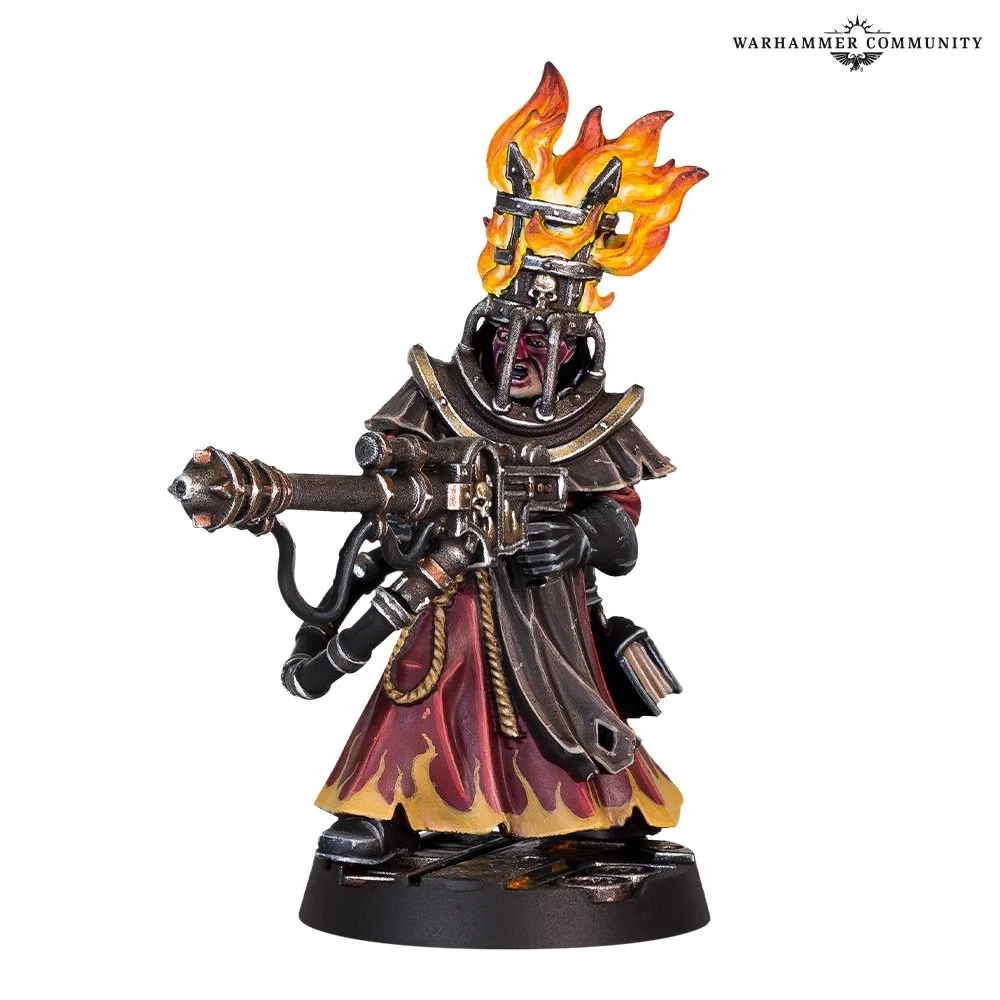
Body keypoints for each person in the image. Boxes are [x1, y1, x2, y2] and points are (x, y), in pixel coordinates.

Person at [280, 63, 706, 863]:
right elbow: (386, 490)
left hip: (549, 609)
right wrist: (401, 532)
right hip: (448, 588)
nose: (524, 355)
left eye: (545, 341)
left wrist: (583, 537)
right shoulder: (437, 395)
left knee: (569, 706)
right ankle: (386, 805)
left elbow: (622, 529)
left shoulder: (595, 422)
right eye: (513, 335)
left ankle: (591, 817)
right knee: (429, 687)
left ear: (576, 346)